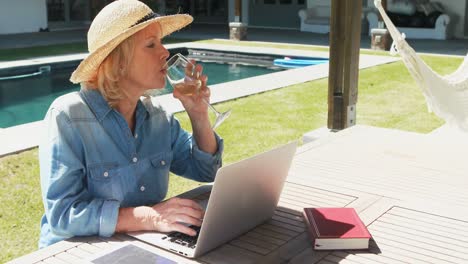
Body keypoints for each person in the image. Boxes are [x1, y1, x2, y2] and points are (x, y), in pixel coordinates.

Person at [38, 0, 223, 248]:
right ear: (119, 61)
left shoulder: (158, 117)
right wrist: (149, 216)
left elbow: (205, 171)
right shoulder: (68, 117)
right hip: (73, 252)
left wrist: (199, 115)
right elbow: (63, 215)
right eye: (151, 44)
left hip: (138, 246)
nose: (165, 52)